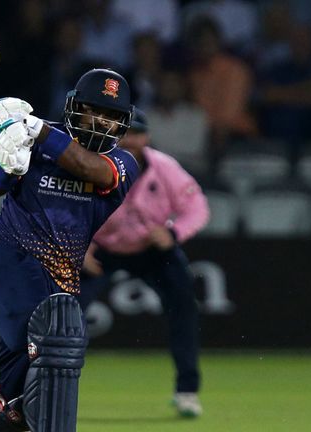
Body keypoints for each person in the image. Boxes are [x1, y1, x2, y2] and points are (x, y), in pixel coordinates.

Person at [0, 69, 140, 432]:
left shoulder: (123, 162)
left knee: (19, 410)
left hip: (58, 285)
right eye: (95, 110)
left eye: (112, 116)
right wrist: (10, 163)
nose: (102, 122)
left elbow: (91, 170)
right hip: (9, 264)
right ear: (75, 108)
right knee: (57, 343)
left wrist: (36, 128)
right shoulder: (34, 138)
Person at [79, 110, 210, 418]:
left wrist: (173, 233)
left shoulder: (165, 167)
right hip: (102, 250)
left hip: (153, 251)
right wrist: (80, 247)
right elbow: (72, 209)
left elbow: (197, 207)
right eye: (123, 133)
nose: (130, 140)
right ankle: (48, 388)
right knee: (64, 312)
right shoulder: (91, 165)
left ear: (147, 137)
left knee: (184, 309)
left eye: (136, 134)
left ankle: (187, 392)